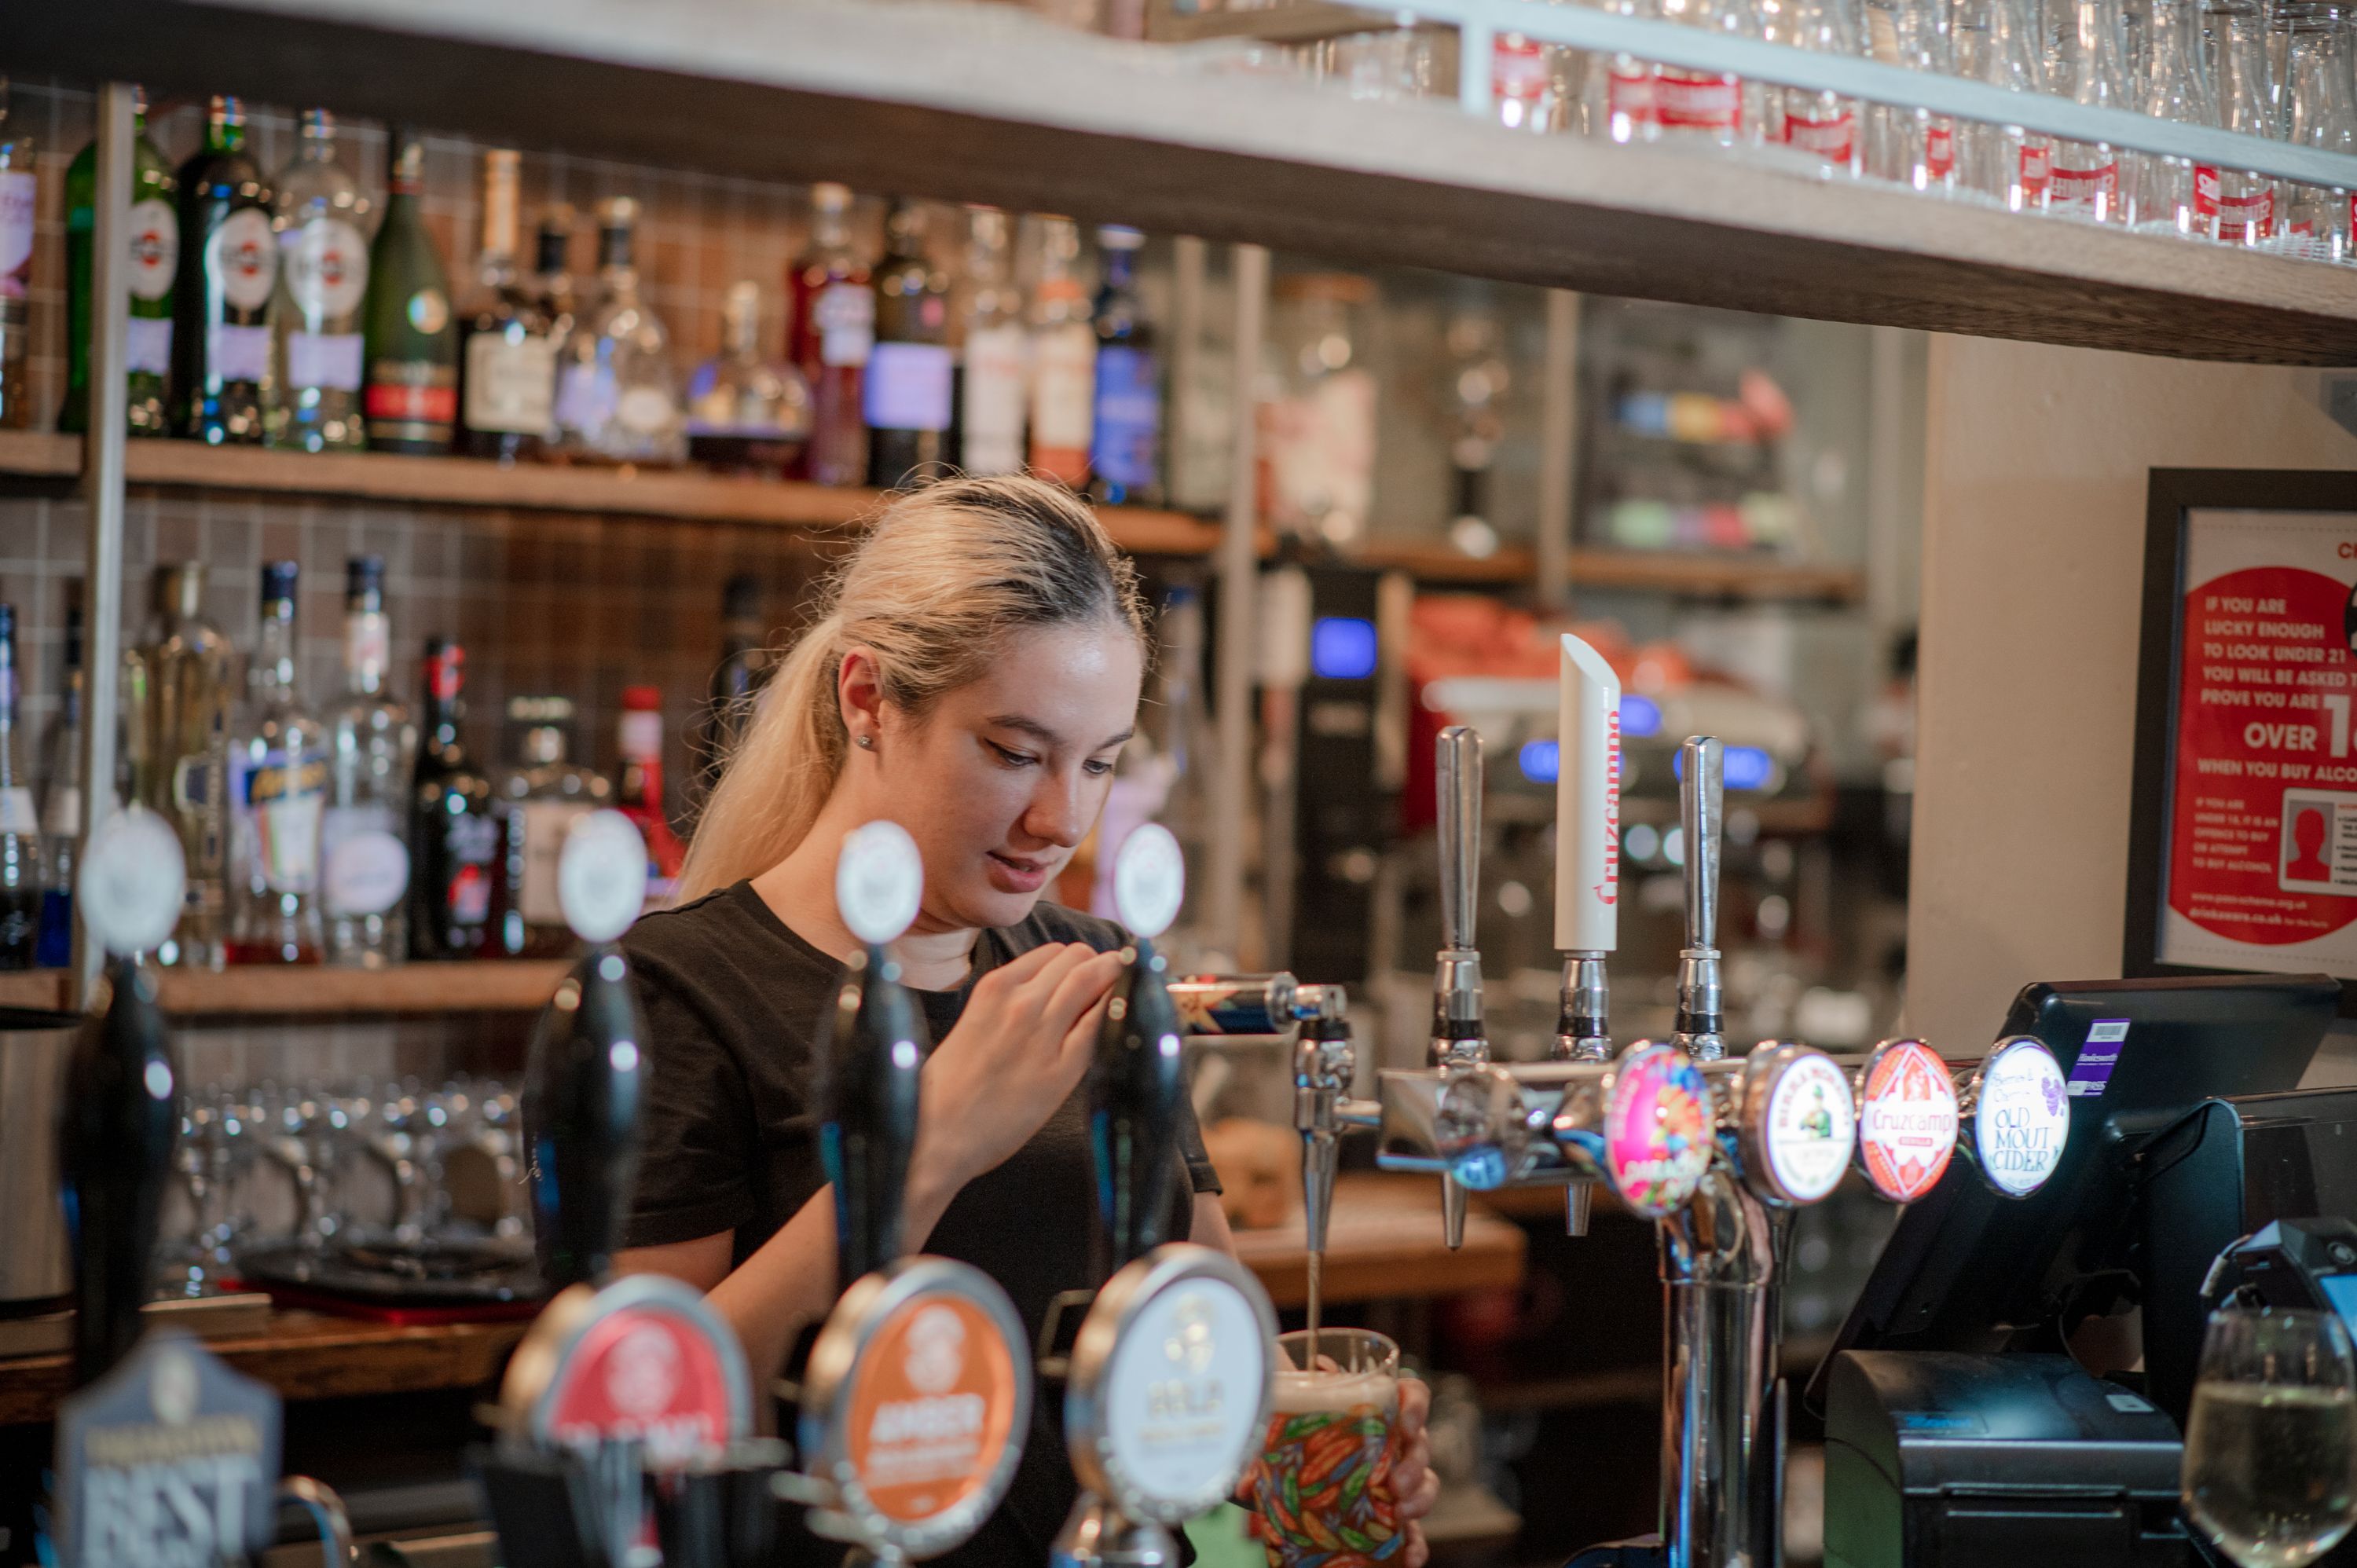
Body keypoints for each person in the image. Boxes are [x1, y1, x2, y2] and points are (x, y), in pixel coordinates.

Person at [613, 475, 1436, 1567]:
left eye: (1097, 764)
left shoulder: (1093, 968)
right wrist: (927, 1145)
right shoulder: (677, 993)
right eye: (1012, 752)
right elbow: (640, 1440)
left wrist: (1300, 1446)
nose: (1061, 819)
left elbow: (1206, 1348)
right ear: (867, 697)